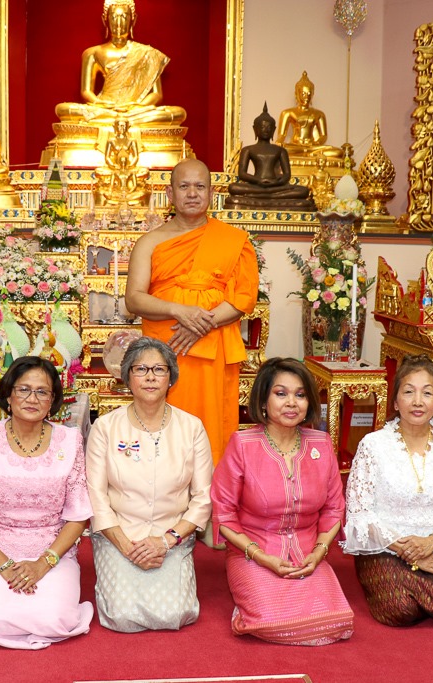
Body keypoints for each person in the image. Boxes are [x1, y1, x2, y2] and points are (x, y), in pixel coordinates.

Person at [211, 358, 354, 645]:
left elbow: (334, 508)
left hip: (308, 554)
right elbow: (224, 515)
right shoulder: (242, 445)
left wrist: (319, 552)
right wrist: (261, 557)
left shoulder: (321, 443)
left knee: (338, 623)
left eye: (300, 395)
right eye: (281, 393)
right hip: (253, 551)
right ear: (263, 401)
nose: (292, 403)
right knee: (267, 621)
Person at [125, 158, 258, 463]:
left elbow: (242, 299)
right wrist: (179, 311)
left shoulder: (233, 241)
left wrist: (200, 323)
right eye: (184, 186)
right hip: (166, 348)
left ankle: (210, 496)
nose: (192, 193)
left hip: (214, 350)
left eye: (200, 186)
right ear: (170, 194)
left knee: (212, 422)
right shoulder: (150, 242)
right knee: (163, 418)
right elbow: (134, 299)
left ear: (212, 194)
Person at [0, 356, 93, 648]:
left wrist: (44, 564)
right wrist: (4, 564)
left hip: (52, 551)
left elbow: (78, 515)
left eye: (42, 392)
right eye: (23, 390)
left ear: (53, 399)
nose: (32, 398)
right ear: (8, 394)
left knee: (56, 618)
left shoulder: (70, 441)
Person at [343, 354, 433, 627]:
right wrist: (409, 552)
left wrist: (431, 543)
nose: (418, 401)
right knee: (399, 610)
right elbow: (360, 513)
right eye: (409, 392)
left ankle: (429, 582)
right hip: (384, 546)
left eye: (427, 393)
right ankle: (410, 581)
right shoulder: (373, 445)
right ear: (396, 401)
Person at [85, 336, 213, 632]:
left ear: (172, 377)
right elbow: (95, 494)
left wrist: (165, 541)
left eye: (160, 369)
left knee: (176, 613)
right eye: (141, 369)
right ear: (127, 376)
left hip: (172, 536)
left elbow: (203, 497)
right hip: (119, 536)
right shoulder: (106, 426)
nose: (151, 377)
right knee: (120, 616)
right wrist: (126, 546)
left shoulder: (191, 427)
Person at [54, 0, 186, 127]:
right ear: (104, 19)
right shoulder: (92, 53)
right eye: (113, 17)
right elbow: (86, 92)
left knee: (178, 113)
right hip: (105, 109)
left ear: (133, 20)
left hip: (136, 111)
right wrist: (103, 104)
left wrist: (137, 107)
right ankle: (122, 120)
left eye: (124, 16)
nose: (118, 23)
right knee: (64, 109)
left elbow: (157, 94)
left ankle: (125, 120)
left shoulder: (147, 53)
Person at [225, 103, 316, 210]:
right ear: (255, 129)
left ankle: (262, 197)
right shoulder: (248, 149)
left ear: (274, 129)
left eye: (269, 127)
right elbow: (242, 174)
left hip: (275, 186)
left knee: (303, 191)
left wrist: (275, 182)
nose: (266, 129)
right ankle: (270, 197)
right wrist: (258, 181)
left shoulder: (280, 150)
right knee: (234, 188)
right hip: (256, 186)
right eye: (262, 127)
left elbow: (287, 175)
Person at [276, 71, 343, 160]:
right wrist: (279, 142)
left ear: (313, 94)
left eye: (309, 94)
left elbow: (323, 136)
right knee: (280, 150)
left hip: (312, 147)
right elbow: (281, 135)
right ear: (297, 94)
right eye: (303, 94)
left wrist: (317, 143)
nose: (306, 97)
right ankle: (311, 156)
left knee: (338, 152)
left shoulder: (319, 114)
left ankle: (310, 155)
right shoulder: (288, 113)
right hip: (295, 146)